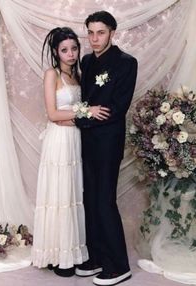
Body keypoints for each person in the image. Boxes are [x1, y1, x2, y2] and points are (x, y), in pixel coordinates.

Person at [31, 27, 110, 277]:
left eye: (74, 48)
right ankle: (56, 256)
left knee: (73, 194)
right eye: (64, 50)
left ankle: (70, 253)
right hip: (59, 142)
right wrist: (86, 113)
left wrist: (76, 119)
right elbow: (53, 114)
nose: (71, 54)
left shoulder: (78, 75)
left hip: (76, 138)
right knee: (58, 195)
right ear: (56, 52)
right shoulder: (51, 75)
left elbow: (68, 115)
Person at [74, 11, 138, 286]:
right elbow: (83, 102)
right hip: (86, 141)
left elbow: (116, 108)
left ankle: (118, 265)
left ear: (112, 32)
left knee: (104, 200)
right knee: (90, 200)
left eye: (100, 32)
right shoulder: (86, 61)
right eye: (90, 32)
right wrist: (84, 114)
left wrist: (83, 116)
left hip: (109, 142)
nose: (94, 38)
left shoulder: (126, 63)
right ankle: (97, 256)